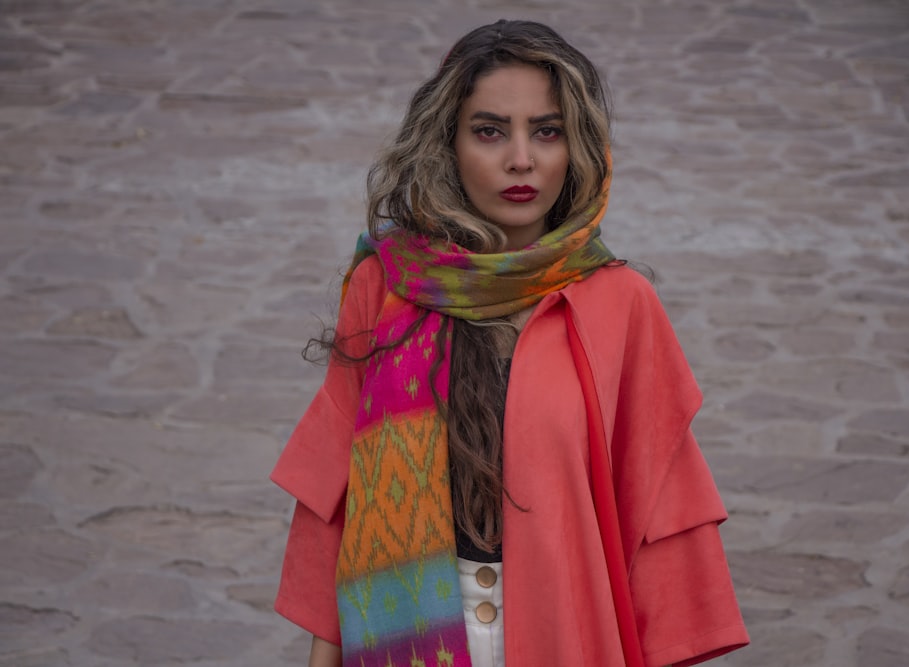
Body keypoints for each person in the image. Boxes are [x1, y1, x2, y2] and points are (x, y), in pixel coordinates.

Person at [271, 19, 748, 667]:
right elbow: (338, 493)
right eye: (490, 130)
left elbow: (660, 517)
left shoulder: (622, 302)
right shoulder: (385, 284)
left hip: (564, 633)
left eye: (546, 131)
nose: (520, 158)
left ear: (575, 146)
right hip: (401, 632)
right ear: (449, 142)